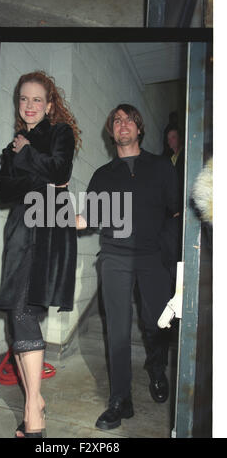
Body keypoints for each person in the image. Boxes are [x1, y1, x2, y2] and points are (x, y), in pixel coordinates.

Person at [76, 104, 180, 430]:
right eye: (117, 121)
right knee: (117, 330)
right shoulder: (103, 175)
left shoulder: (162, 167)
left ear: (139, 128)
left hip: (153, 257)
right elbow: (87, 218)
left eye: (128, 120)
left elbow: (177, 213)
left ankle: (156, 367)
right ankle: (120, 399)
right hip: (115, 257)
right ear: (112, 131)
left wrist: (167, 249)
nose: (122, 125)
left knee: (156, 322)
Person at [0, 71, 81, 438]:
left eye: (36, 99)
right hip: (18, 231)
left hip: (46, 230)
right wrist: (39, 173)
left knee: (26, 311)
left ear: (49, 104)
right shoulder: (11, 145)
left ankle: (33, 411)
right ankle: (36, 400)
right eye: (23, 99)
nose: (29, 105)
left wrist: (27, 157)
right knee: (16, 314)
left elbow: (61, 171)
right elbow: (2, 192)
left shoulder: (58, 133)